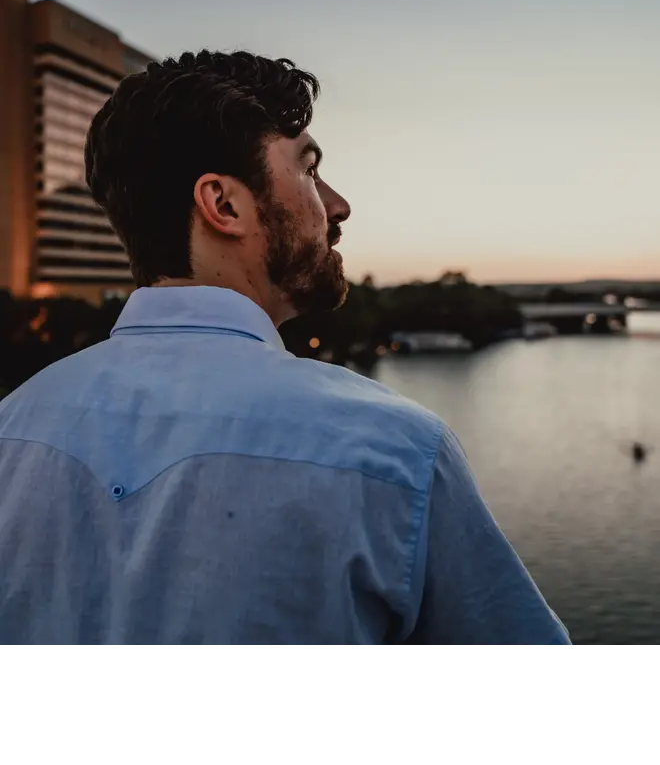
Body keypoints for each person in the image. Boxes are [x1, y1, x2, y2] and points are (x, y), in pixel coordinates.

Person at [0, 50, 571, 647]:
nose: (338, 204)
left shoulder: (11, 428)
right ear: (223, 205)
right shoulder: (393, 449)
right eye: (309, 169)